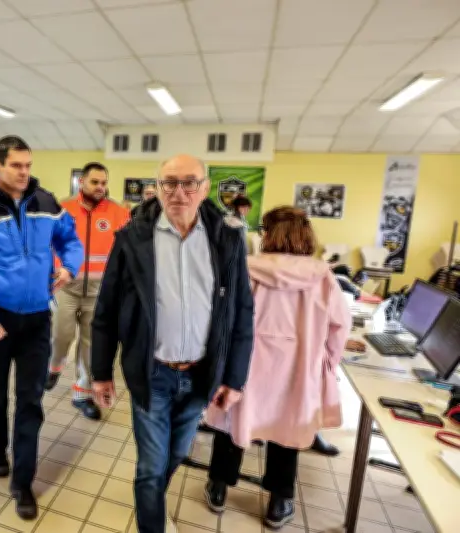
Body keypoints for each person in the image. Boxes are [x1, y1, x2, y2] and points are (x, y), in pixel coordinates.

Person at [91, 154, 254, 533]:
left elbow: (242, 312)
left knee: (177, 452)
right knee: (150, 466)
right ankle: (152, 520)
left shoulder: (227, 240)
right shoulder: (133, 238)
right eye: (170, 182)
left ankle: (153, 504)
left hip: (201, 374)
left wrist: (235, 378)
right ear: (158, 187)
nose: (179, 192)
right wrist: (100, 372)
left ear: (205, 188)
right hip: (152, 372)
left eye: (189, 182)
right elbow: (106, 309)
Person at [0, 136, 83, 520]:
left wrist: (68, 266)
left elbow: (70, 239)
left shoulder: (47, 203)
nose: (24, 172)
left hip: (37, 320)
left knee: (30, 401)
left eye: (28, 165)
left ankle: (23, 483)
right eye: (16, 165)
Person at [203, 206, 351, 529]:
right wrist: (327, 361)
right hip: (298, 368)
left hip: (247, 364)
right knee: (288, 431)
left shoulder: (246, 268)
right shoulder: (322, 277)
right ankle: (279, 500)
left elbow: (222, 315)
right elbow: (341, 325)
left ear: (268, 234)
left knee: (232, 424)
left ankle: (219, 485)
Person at [45, 163, 130, 420]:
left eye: (103, 182)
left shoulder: (118, 212)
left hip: (99, 292)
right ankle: (54, 366)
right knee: (60, 335)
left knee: (90, 345)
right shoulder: (62, 209)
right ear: (81, 182)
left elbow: (126, 253)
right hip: (65, 288)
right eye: (95, 182)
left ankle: (82, 393)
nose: (100, 187)